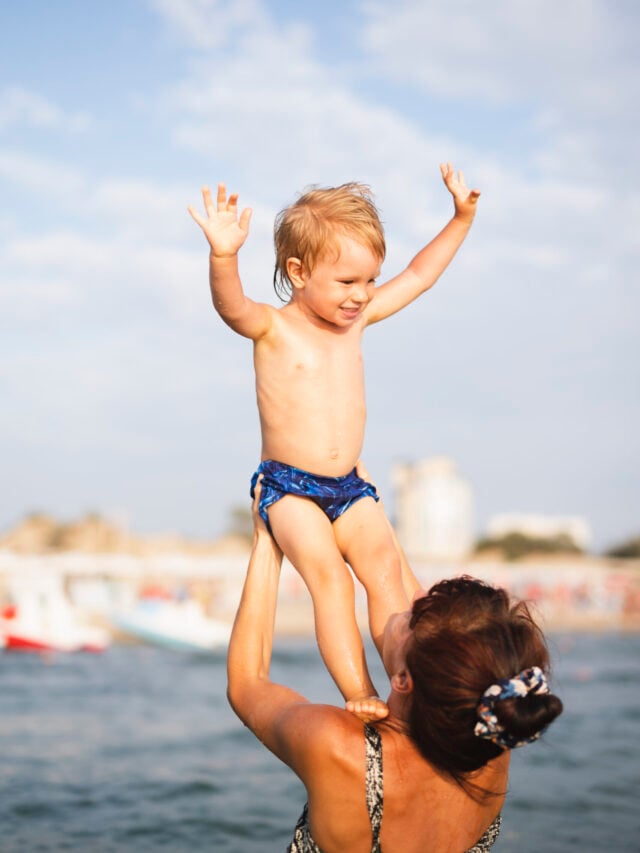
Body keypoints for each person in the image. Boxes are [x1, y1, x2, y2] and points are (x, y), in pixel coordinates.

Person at [189, 165, 480, 713]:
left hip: (349, 486)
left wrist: (460, 219)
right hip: (289, 489)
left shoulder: (357, 320)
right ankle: (360, 692)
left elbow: (419, 275)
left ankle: (408, 678)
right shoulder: (272, 328)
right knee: (330, 581)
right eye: (346, 282)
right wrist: (223, 256)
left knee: (386, 571)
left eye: (369, 280)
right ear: (298, 272)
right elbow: (230, 306)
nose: (361, 295)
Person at [226, 480, 564, 853]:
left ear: (404, 679)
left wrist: (265, 541)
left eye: (409, 620)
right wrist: (370, 504)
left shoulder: (340, 748)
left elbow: (247, 683)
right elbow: (412, 603)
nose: (406, 605)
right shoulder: (493, 735)